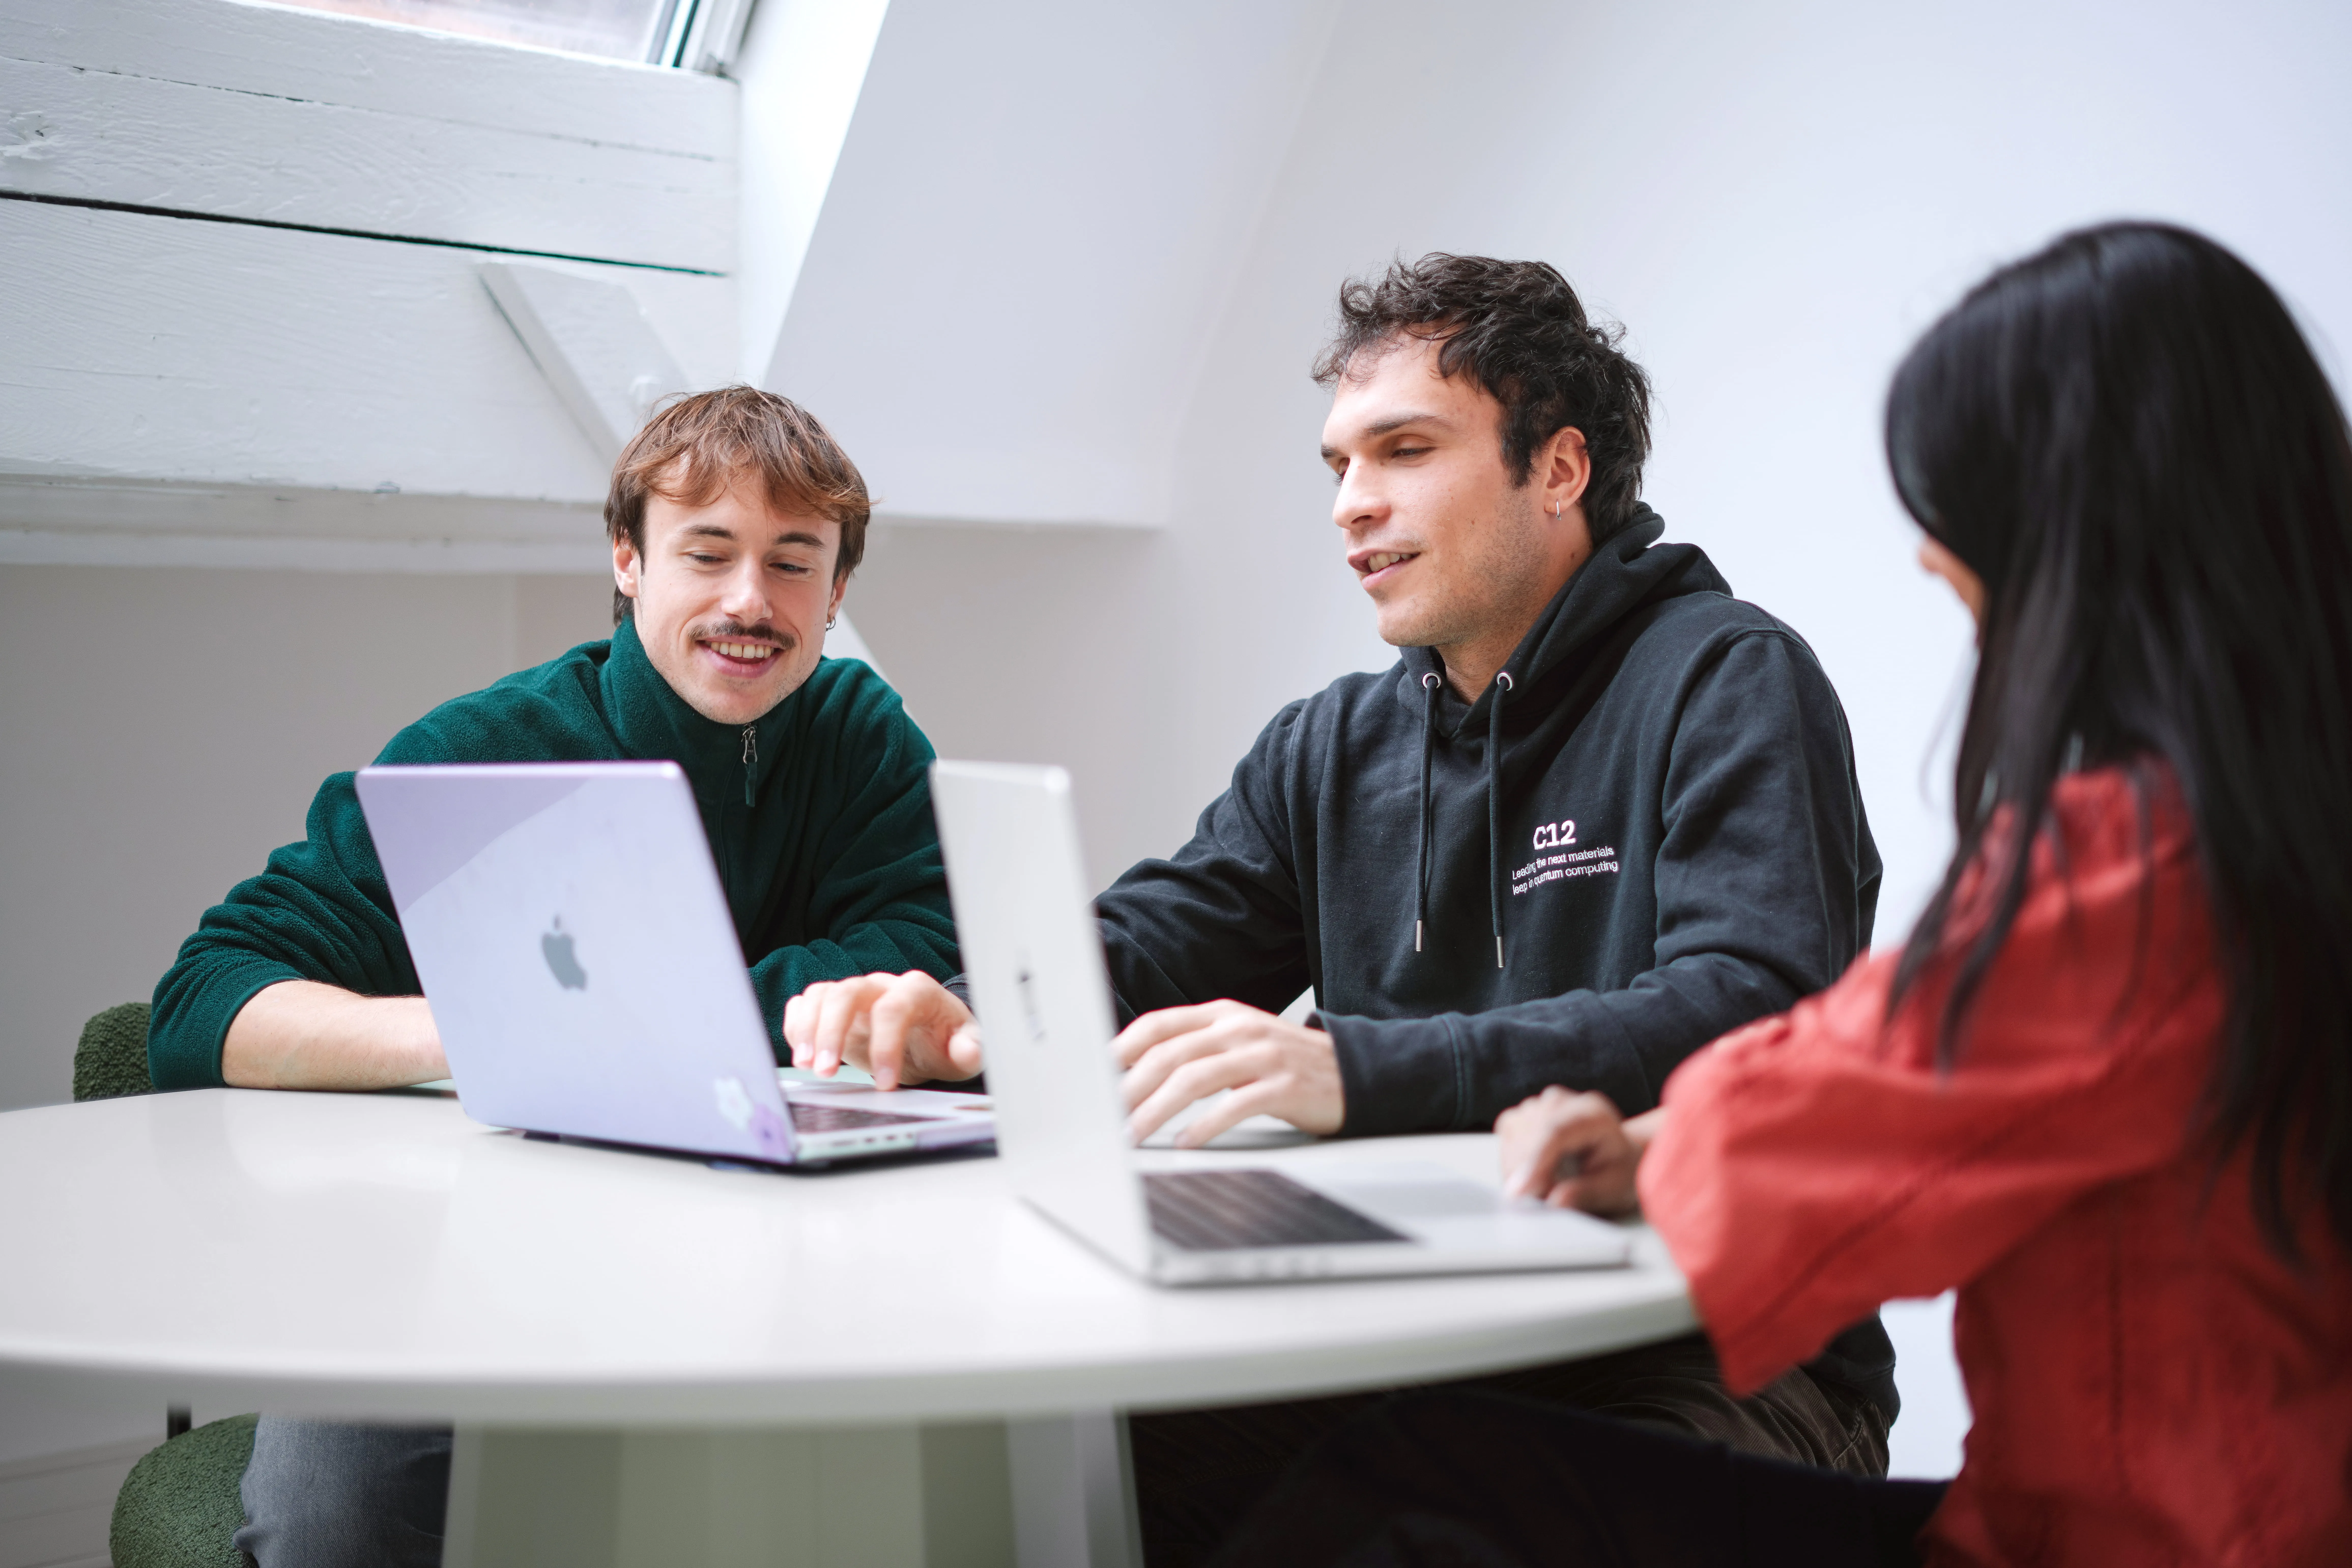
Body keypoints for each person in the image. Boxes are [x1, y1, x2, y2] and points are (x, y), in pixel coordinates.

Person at [1210, 221, 2352, 1567]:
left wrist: (1627, 1140)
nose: (1933, 560)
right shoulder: (2250, 828)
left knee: (1397, 1497)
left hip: (2126, 1534)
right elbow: (1884, 1058)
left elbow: (1862, 1067)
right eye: (1343, 462)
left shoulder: (2131, 867)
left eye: (1956, 504)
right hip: (2178, 1510)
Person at [786, 255, 1896, 1561]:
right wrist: (960, 1024)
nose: (1353, 506)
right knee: (1045, 1465)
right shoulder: (1333, 745)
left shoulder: (1727, 680)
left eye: (1405, 451)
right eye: (1337, 467)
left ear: (1560, 468)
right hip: (1414, 1328)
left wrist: (1349, 1068)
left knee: (1419, 1534)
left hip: (1707, 1355)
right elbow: (1155, 944)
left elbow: (1745, 1010)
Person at [147, 385, 964, 1566]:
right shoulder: (484, 749)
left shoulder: (862, 739)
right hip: (449, 1263)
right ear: (628, 561)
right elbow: (205, 1000)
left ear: (837, 592)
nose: (751, 600)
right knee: (329, 1530)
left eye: (794, 563)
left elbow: (926, 959)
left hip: (763, 1275)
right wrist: (493, 1028)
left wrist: (628, 1012)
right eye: (708, 553)